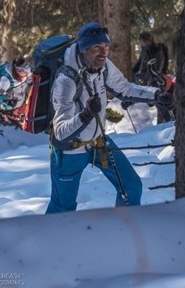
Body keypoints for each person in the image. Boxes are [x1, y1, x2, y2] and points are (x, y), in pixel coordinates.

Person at [45, 22, 173, 213]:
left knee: (131, 188)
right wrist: (86, 115)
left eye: (106, 46)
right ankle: (50, 241)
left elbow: (125, 88)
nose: (103, 52)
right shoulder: (66, 79)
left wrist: (155, 95)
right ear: (84, 49)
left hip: (99, 143)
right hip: (70, 152)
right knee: (62, 208)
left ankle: (123, 234)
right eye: (97, 47)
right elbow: (62, 131)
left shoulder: (103, 66)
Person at [130, 31, 172, 123]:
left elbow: (158, 67)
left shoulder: (157, 49)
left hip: (157, 81)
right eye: (141, 42)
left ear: (148, 40)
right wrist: (133, 71)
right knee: (152, 103)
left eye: (143, 41)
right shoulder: (144, 49)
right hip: (147, 80)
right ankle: (161, 124)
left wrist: (151, 77)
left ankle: (165, 124)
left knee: (160, 103)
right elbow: (140, 62)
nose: (142, 44)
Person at [0, 57, 32, 122]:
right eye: (25, 69)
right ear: (18, 70)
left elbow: (30, 79)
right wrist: (8, 104)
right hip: (10, 108)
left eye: (27, 67)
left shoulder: (25, 73)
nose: (28, 71)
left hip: (20, 103)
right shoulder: (6, 81)